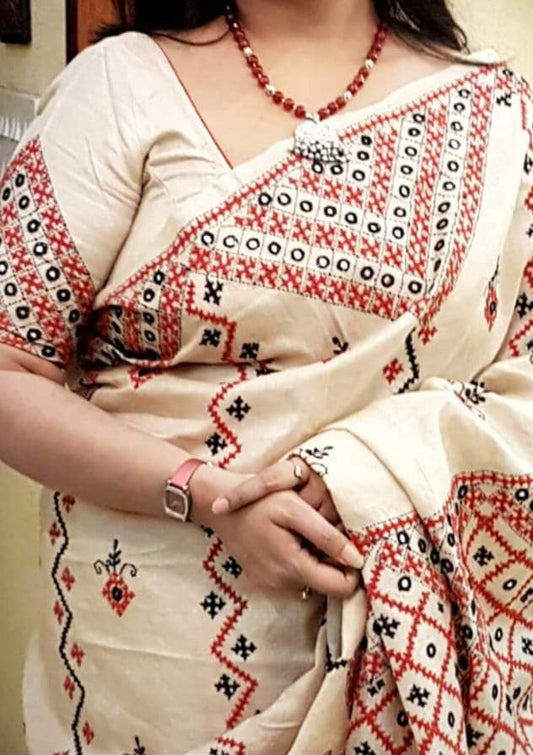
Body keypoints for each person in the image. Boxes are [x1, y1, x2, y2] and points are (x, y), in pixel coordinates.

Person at [0, 0, 532, 751]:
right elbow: (8, 367)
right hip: (159, 670)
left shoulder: (495, 112)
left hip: (421, 654)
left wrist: (365, 469)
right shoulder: (117, 87)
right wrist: (205, 494)